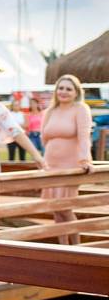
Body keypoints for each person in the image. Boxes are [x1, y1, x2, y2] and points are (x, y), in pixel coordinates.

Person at [42, 74, 93, 244]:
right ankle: (63, 246)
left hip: (69, 166)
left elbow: (84, 137)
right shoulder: (51, 111)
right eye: (60, 88)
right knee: (56, 209)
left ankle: (76, 246)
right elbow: (44, 137)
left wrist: (85, 160)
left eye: (68, 89)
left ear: (76, 92)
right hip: (51, 165)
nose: (63, 92)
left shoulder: (80, 109)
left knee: (65, 208)